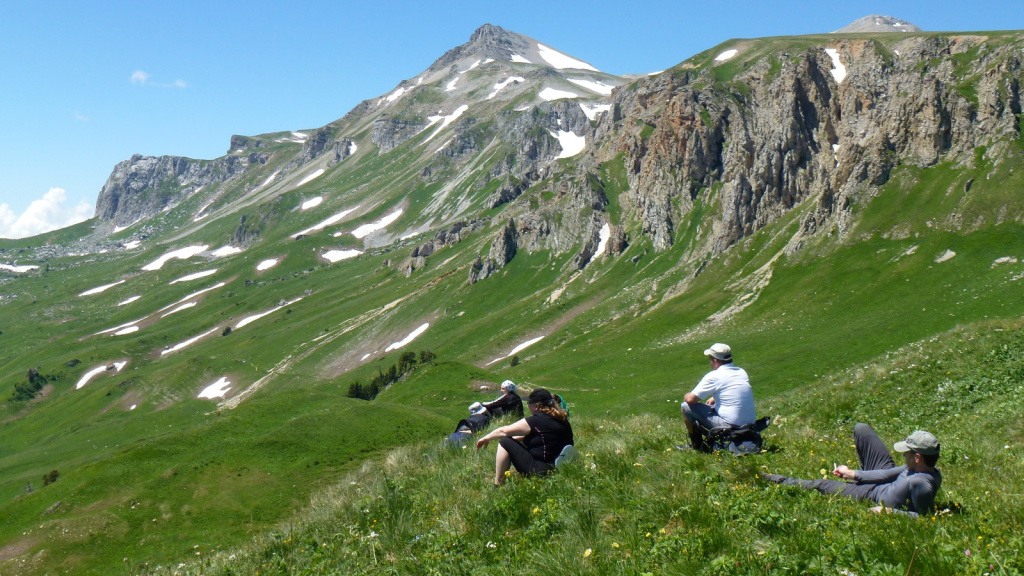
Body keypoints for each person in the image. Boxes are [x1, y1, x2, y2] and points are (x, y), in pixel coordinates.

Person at [765, 423, 942, 517]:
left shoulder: (921, 483)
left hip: (870, 493)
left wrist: (889, 512)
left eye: (906, 453)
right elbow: (887, 474)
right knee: (862, 429)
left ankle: (775, 479)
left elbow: (924, 517)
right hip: (883, 482)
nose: (903, 455)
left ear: (917, 457)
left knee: (821, 484)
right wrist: (854, 473)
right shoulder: (919, 467)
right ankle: (856, 478)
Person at [475, 388, 574, 486]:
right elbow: (537, 437)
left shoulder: (536, 421)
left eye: (529, 405)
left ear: (537, 406)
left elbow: (503, 431)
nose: (528, 407)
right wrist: (514, 442)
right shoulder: (562, 419)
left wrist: (485, 438)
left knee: (504, 442)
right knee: (509, 441)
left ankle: (497, 485)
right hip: (560, 468)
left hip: (540, 470)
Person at [679, 343, 756, 451]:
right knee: (714, 404)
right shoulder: (741, 372)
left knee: (685, 406)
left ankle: (697, 445)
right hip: (750, 424)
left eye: (710, 359)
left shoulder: (714, 376)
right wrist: (714, 398)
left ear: (715, 360)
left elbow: (690, 399)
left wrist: (686, 394)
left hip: (731, 426)